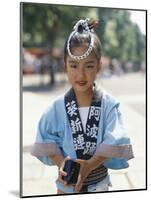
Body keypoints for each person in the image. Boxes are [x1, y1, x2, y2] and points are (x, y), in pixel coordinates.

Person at [31, 18, 134, 194]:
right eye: (73, 65)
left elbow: (116, 138)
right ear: (65, 65)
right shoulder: (57, 107)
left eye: (89, 66)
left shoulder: (109, 105)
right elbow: (46, 138)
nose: (81, 74)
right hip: (66, 185)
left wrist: (90, 165)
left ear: (99, 67)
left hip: (98, 184)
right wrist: (60, 162)